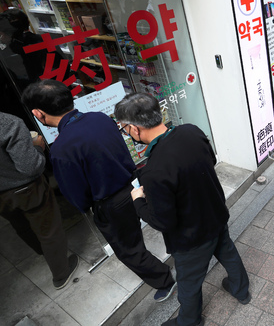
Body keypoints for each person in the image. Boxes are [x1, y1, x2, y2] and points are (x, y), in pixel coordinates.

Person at [21, 80, 176, 301]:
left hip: (111, 204)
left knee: (129, 250)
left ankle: (165, 281)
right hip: (136, 185)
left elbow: (76, 196)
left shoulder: (62, 148)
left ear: (38, 113)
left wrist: (90, 207)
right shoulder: (100, 118)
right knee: (151, 224)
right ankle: (178, 256)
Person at [114, 94, 250, 325]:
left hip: (191, 238)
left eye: (124, 128)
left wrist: (139, 201)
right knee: (228, 251)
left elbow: (162, 221)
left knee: (188, 282)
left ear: (135, 129)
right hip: (215, 214)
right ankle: (241, 290)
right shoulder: (191, 131)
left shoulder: (154, 170)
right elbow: (211, 160)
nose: (125, 132)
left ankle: (189, 321)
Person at [0, 112, 77, 289]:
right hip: (25, 188)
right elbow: (30, 167)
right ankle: (61, 274)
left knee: (19, 224)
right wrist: (37, 147)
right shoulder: (9, 123)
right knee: (49, 229)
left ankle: (43, 251)